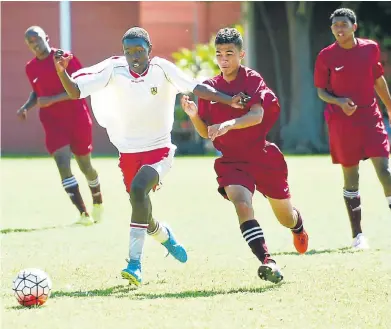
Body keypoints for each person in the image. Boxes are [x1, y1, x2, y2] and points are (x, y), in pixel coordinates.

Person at [53, 27, 249, 286]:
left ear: (149, 50)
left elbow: (197, 87)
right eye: (128, 51)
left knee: (138, 189)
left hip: (159, 149)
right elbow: (76, 91)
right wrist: (61, 72)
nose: (134, 56)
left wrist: (228, 100)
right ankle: (164, 235)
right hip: (128, 153)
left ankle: (134, 264)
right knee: (141, 206)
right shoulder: (114, 70)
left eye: (139, 50)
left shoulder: (162, 69)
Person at [181, 27, 309, 284]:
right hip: (232, 162)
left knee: (285, 217)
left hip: (263, 157)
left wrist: (228, 124)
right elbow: (207, 133)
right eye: (219, 54)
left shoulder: (251, 79)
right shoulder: (209, 88)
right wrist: (194, 115)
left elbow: (257, 116)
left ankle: (297, 226)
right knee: (242, 205)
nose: (224, 59)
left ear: (242, 54)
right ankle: (267, 261)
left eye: (229, 53)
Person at [314, 8, 391, 249]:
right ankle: (358, 235)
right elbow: (321, 91)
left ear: (354, 26)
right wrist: (339, 102)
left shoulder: (370, 49)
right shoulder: (326, 56)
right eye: (335, 25)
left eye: (344, 24)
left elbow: (378, 79)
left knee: (385, 170)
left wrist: (389, 108)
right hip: (342, 123)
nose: (339, 29)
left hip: (371, 118)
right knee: (351, 179)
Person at [17, 26, 103, 225]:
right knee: (63, 164)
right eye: (30, 42)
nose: (35, 44)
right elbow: (37, 93)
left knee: (85, 166)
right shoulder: (30, 67)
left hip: (77, 118)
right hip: (52, 123)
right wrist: (26, 107)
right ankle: (83, 214)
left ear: (46, 38)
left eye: (37, 39)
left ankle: (98, 201)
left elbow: (80, 87)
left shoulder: (64, 57)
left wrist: (52, 99)